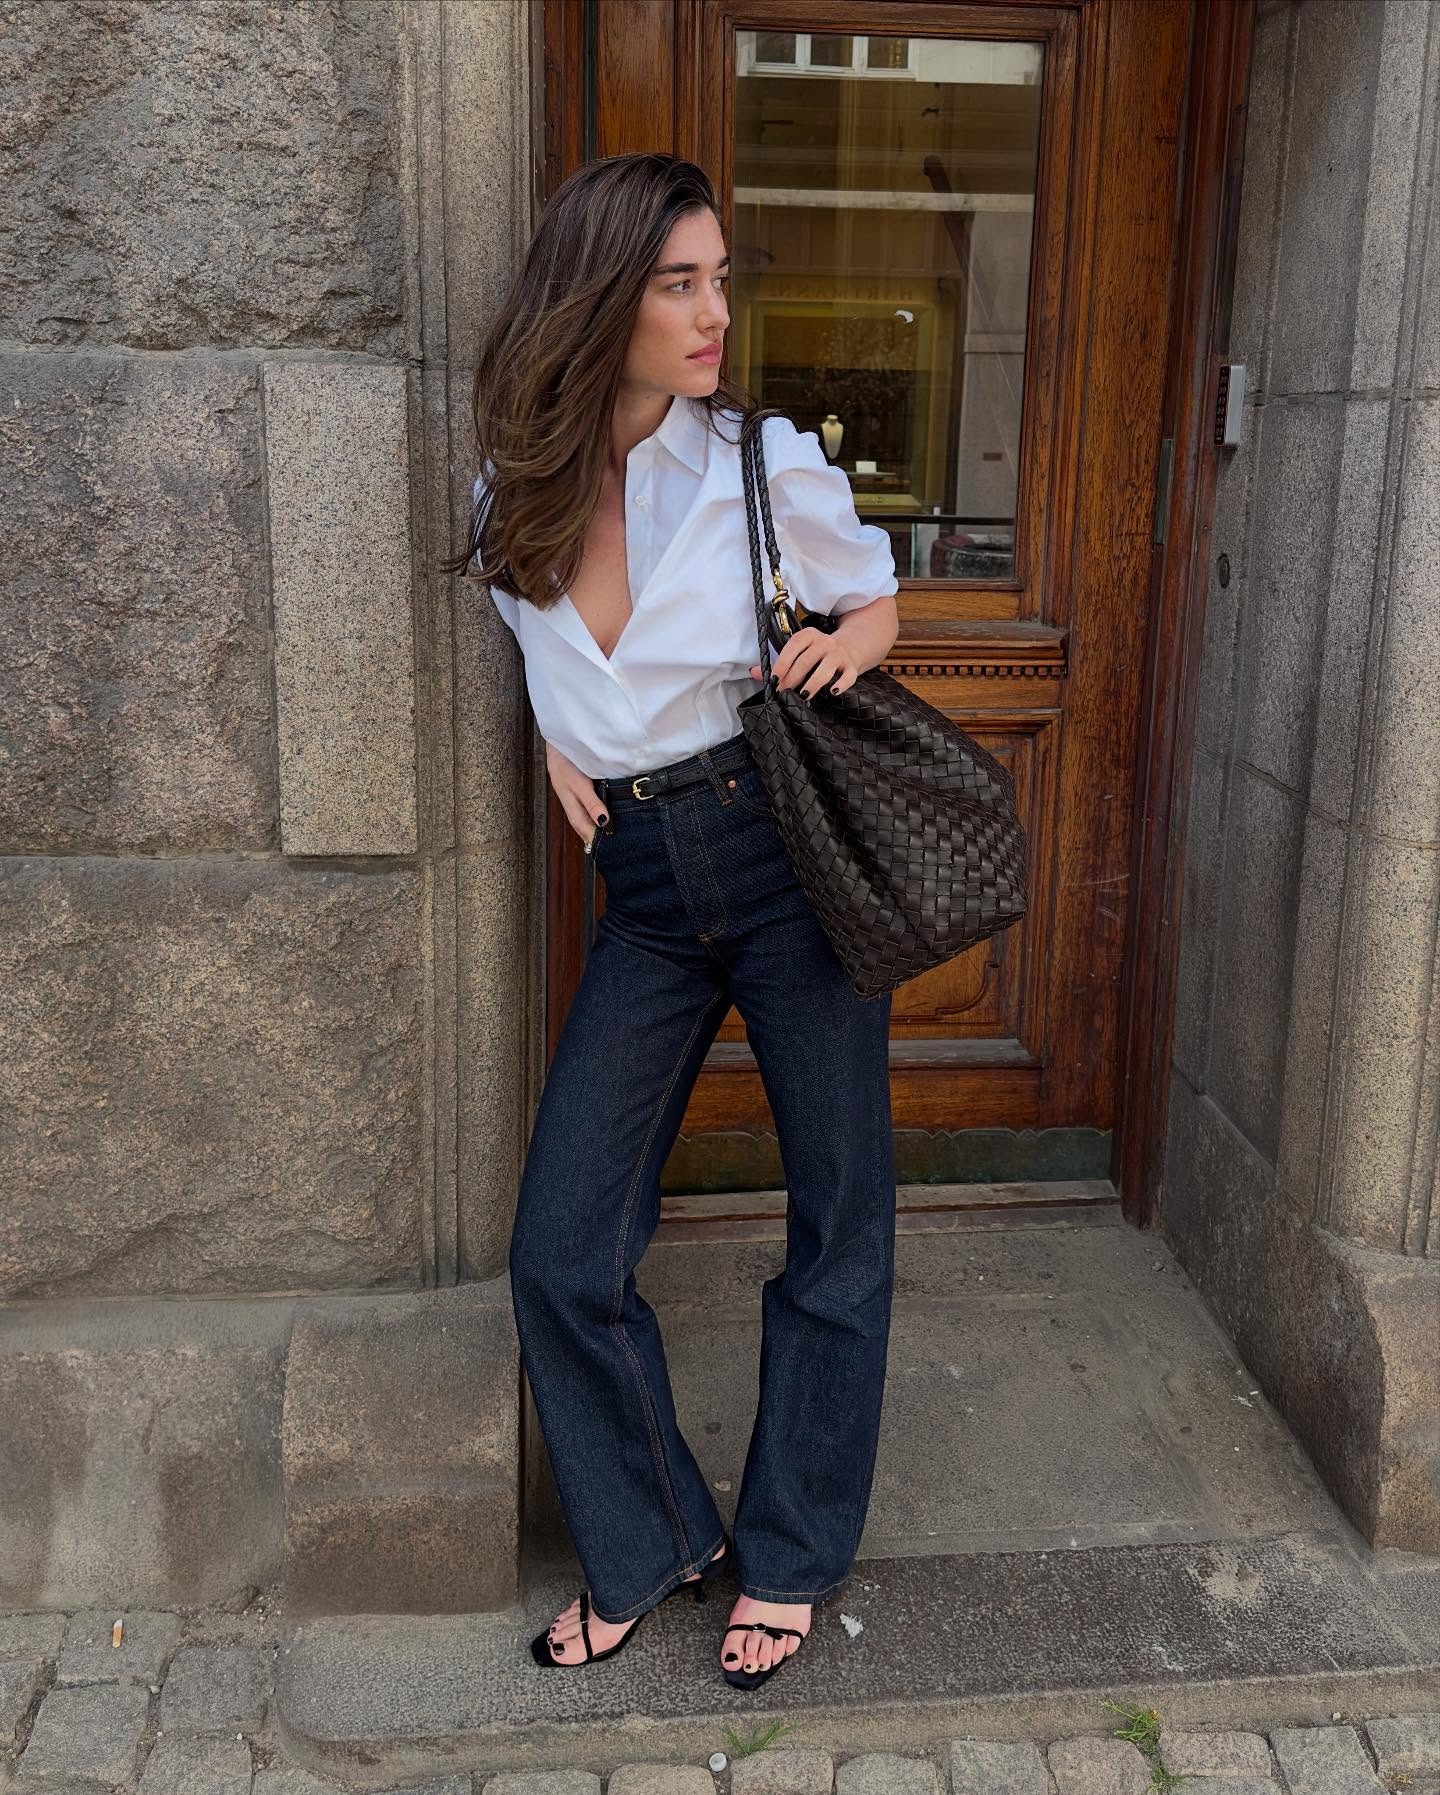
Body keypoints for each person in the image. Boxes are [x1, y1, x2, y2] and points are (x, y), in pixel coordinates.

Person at [448, 151, 900, 1691]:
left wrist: (853, 648)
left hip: (782, 855)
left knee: (838, 1219)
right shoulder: (513, 482)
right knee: (560, 1247)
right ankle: (650, 1540)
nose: (716, 314)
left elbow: (874, 596)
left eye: (719, 280)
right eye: (678, 284)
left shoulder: (762, 463)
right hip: (642, 884)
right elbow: (546, 643)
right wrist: (558, 740)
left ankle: (791, 1553)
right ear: (600, 297)